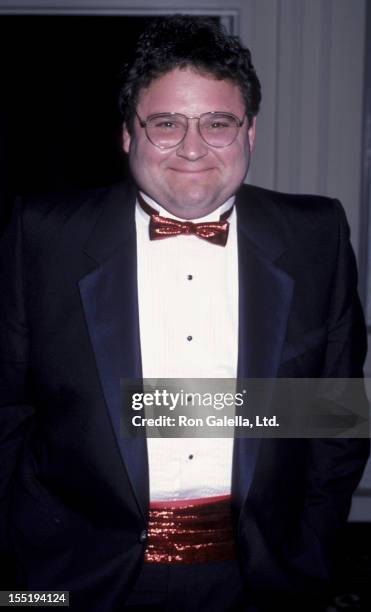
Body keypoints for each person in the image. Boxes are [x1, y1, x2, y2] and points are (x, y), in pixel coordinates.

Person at [0, 14, 369, 612]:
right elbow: (10, 411)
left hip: (259, 578)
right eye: (167, 123)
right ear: (128, 134)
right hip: (75, 577)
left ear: (250, 133)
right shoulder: (42, 236)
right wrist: (21, 559)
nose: (193, 148)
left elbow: (333, 421)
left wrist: (308, 554)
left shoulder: (316, 236)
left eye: (218, 124)